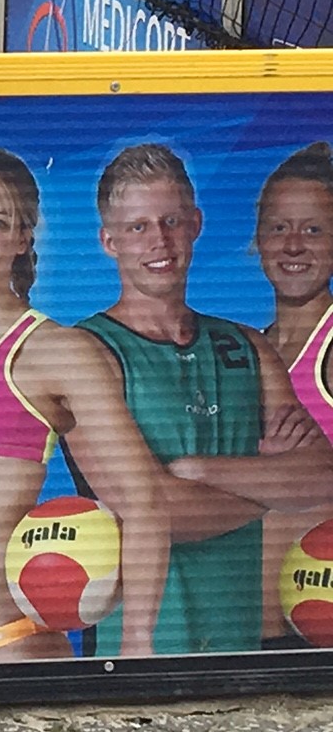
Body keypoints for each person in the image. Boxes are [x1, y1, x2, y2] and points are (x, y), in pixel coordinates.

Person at [78, 143, 333, 655]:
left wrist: (195, 470)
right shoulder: (86, 350)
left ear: (195, 223)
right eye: (138, 227)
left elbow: (322, 476)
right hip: (139, 647)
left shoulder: (246, 347)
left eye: (171, 220)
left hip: (248, 641)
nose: (160, 241)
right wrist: (271, 484)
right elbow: (156, 509)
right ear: (109, 241)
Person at [0, 147, 167, 662]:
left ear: (23, 239)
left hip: (6, 643)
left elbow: (142, 502)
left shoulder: (52, 350)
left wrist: (136, 643)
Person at [251, 142, 333, 645]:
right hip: (252, 634)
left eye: (313, 230)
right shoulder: (249, 350)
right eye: (279, 228)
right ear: (257, 240)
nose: (294, 245)